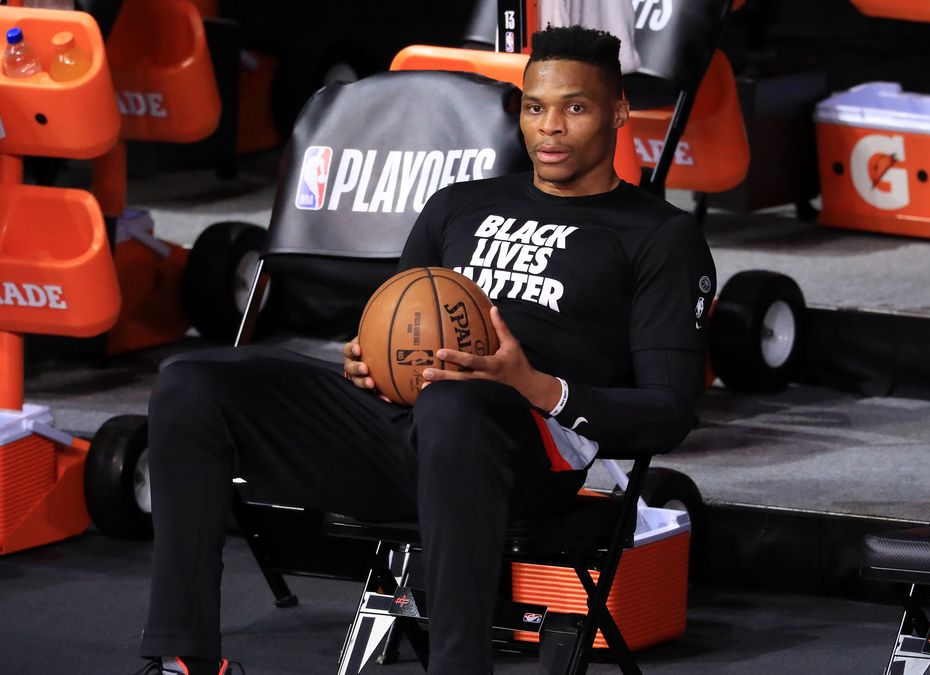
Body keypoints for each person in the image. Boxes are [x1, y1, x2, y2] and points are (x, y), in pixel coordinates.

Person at [139, 25, 716, 675]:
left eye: (574, 107)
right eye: (535, 107)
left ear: (616, 112)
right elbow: (393, 328)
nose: (550, 127)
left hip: (528, 445)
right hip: (409, 430)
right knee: (193, 380)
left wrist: (532, 382)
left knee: (455, 404)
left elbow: (670, 410)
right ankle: (184, 660)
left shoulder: (660, 237)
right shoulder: (457, 206)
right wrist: (366, 361)